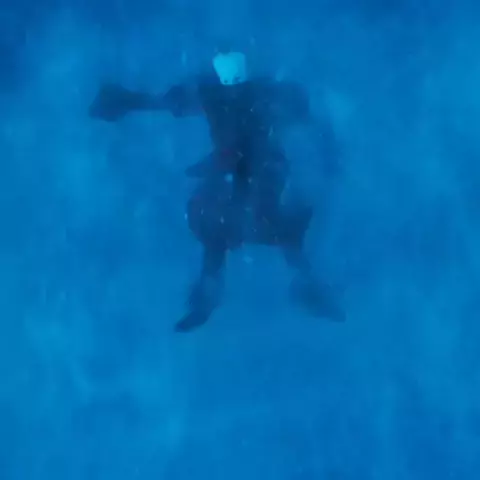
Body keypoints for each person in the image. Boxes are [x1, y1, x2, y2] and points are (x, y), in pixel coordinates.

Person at [89, 48, 345, 331]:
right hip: (243, 172)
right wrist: (129, 101)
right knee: (223, 226)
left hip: (261, 171)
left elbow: (297, 118)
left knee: (263, 225)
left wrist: (130, 102)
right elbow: (174, 103)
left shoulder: (255, 95)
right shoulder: (219, 95)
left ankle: (303, 286)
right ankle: (215, 292)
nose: (234, 89)